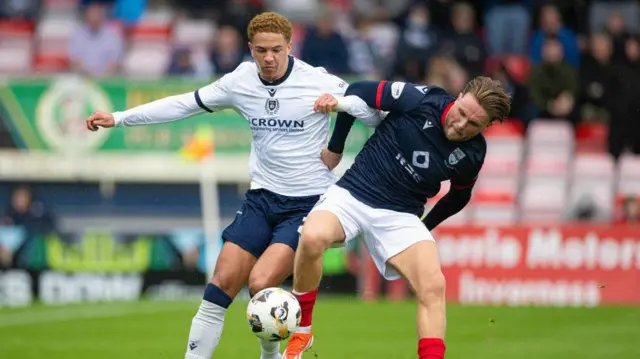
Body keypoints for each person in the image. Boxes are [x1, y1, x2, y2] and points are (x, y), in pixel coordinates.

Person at [85, 12, 382, 359]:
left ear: (290, 46)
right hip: (260, 198)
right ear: (250, 49)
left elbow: (372, 114)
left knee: (260, 284)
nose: (268, 58)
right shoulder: (240, 80)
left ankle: (270, 355)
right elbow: (184, 104)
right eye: (261, 51)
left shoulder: (317, 81)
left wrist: (340, 104)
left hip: (307, 204)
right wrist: (119, 118)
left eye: (276, 50)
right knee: (220, 285)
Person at [292, 77, 511, 359]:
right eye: (462, 113)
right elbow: (355, 93)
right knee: (312, 237)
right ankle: (302, 331)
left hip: (400, 216)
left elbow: (459, 195)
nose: (460, 125)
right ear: (457, 97)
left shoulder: (473, 153)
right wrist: (336, 148)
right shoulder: (420, 99)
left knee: (433, 286)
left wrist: (426, 226)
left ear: (486, 127)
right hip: (353, 193)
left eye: (473, 124)